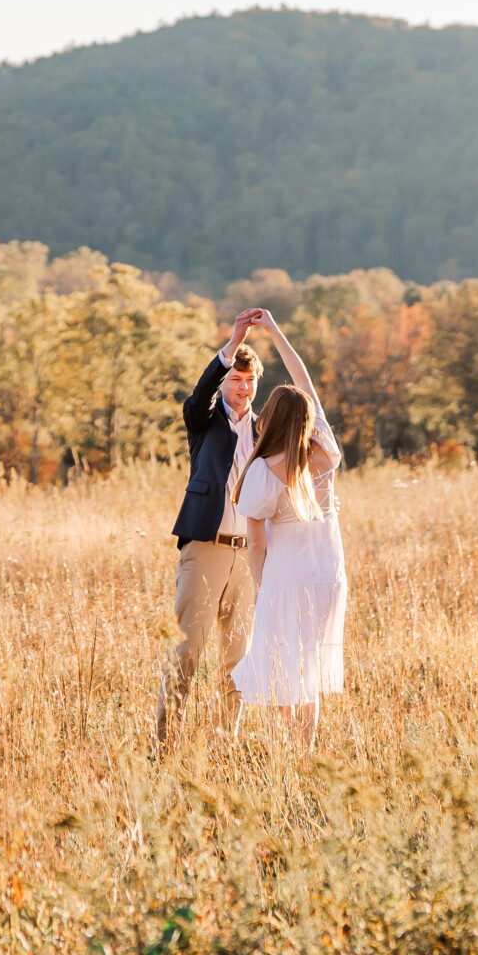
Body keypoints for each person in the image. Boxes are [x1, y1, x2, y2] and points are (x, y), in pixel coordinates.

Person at [229, 310, 346, 745]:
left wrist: (260, 585)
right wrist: (275, 331)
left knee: (281, 668)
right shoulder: (325, 451)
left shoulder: (262, 471)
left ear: (271, 418)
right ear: (307, 418)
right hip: (328, 573)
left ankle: (290, 756)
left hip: (287, 576)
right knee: (308, 666)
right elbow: (307, 386)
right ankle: (306, 751)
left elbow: (256, 543)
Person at [156, 307, 265, 750]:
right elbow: (199, 395)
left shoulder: (264, 430)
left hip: (248, 556)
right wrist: (234, 340)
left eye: (249, 381)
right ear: (226, 384)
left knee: (238, 660)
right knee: (187, 652)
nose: (243, 388)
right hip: (205, 549)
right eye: (236, 381)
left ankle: (226, 745)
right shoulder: (203, 422)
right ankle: (163, 745)